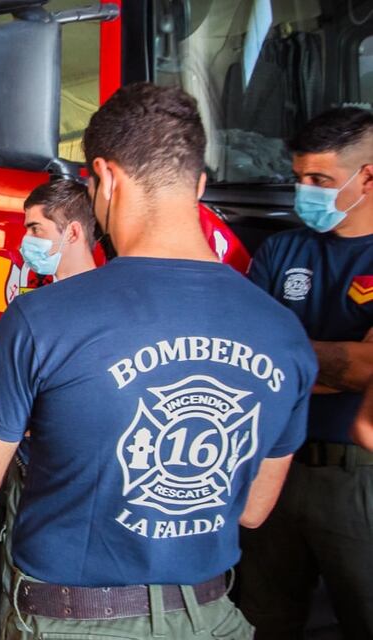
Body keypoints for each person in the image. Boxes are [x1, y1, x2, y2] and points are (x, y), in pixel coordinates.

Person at [0, 83, 317, 640]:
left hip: (70, 622)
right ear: (197, 183)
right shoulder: (284, 332)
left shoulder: (41, 318)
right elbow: (253, 510)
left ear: (107, 178)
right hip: (213, 617)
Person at [238, 107, 373, 639]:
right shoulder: (281, 250)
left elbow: (367, 371)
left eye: (321, 180)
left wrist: (282, 358)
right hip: (273, 467)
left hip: (355, 474)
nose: (306, 192)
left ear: (367, 175)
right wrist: (340, 360)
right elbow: (244, 362)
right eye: (299, 179)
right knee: (264, 621)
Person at [0, 178, 98, 629]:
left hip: (64, 489)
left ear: (73, 233)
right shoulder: (38, 303)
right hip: (28, 473)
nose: (26, 241)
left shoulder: (98, 306)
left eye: (36, 229)